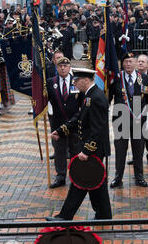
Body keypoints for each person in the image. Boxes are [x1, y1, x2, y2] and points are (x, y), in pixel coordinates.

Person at [47, 68, 112, 221]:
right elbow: (79, 118)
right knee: (96, 181)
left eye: (76, 80)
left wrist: (87, 151)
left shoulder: (96, 97)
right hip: (90, 147)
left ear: (86, 80)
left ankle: (65, 216)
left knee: (79, 180)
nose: (74, 83)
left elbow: (98, 128)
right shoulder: (88, 95)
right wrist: (61, 131)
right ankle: (104, 214)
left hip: (93, 148)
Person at [109, 52, 148, 188]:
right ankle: (118, 177)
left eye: (131, 61)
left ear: (135, 63)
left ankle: (139, 177)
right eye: (126, 62)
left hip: (138, 121)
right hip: (120, 120)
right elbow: (109, 98)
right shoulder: (116, 78)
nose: (128, 64)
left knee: (138, 150)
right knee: (120, 150)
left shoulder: (144, 78)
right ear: (122, 64)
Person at [46, 57, 82, 189]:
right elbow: (45, 100)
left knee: (75, 149)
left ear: (69, 67)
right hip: (58, 123)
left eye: (65, 66)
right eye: (60, 66)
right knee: (59, 150)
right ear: (57, 67)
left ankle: (75, 175)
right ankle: (60, 176)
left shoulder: (77, 81)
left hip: (74, 123)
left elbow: (82, 102)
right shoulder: (51, 82)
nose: (63, 68)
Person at [127, 54, 148, 165]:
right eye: (139, 61)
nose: (140, 63)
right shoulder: (133, 76)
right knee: (136, 135)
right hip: (136, 110)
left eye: (143, 61)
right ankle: (136, 156)